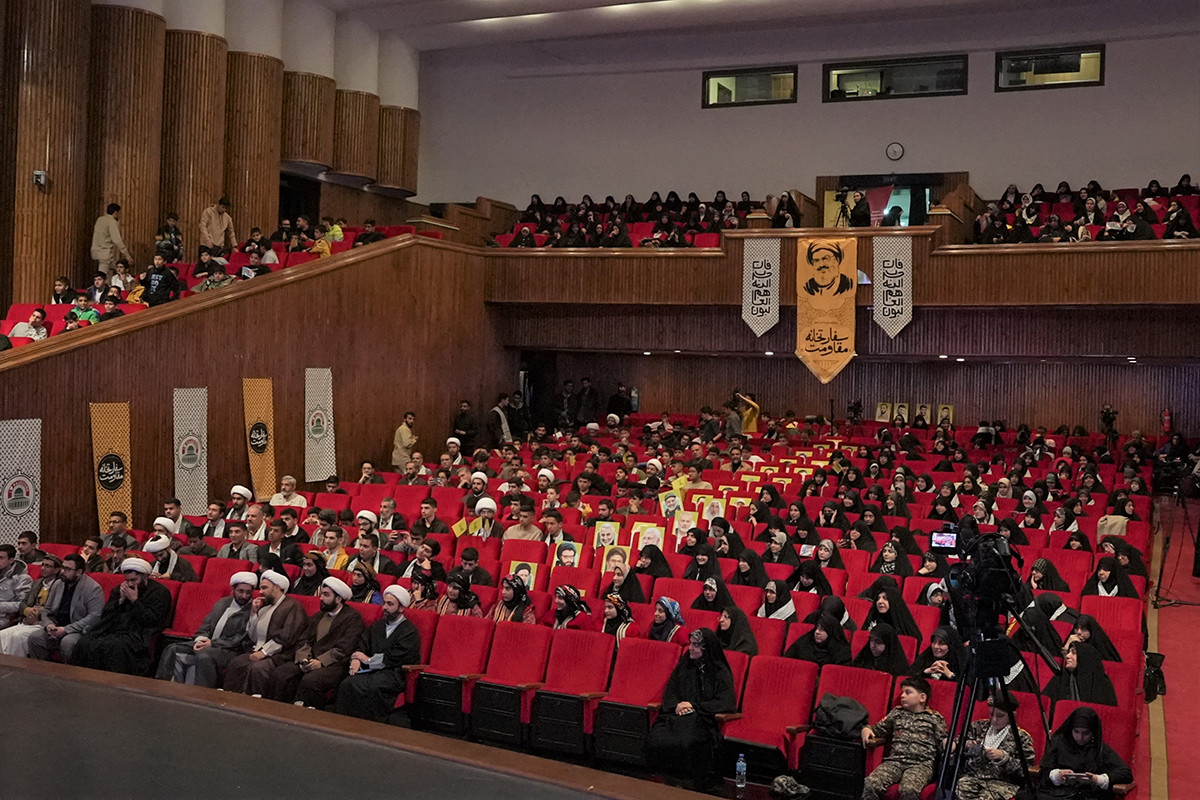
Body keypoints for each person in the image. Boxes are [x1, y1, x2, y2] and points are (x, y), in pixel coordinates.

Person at [646, 628, 737, 792]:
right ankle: (664, 780)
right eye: (691, 644)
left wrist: (694, 706)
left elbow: (726, 702)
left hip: (702, 718)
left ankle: (687, 783)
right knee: (657, 736)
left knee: (686, 740)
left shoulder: (719, 671)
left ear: (706, 649)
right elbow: (671, 691)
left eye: (696, 645)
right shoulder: (685, 663)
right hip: (676, 714)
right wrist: (677, 706)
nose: (691, 648)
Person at [271, 577, 365, 708]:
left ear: (338, 599)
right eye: (321, 594)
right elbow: (304, 639)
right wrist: (304, 659)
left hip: (334, 665)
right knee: (281, 673)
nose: (321, 598)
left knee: (311, 681)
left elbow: (345, 648)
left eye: (326, 595)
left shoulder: (352, 618)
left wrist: (321, 662)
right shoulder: (319, 615)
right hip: (310, 660)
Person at [69, 557, 172, 676]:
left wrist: (134, 600)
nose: (130, 584)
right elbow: (106, 615)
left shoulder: (160, 592)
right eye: (127, 580)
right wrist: (120, 601)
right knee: (86, 642)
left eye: (134, 580)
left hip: (138, 633)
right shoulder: (120, 589)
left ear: (144, 576)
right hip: (113, 629)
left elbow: (153, 620)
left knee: (115, 647)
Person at [336, 585, 421, 721]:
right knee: (347, 683)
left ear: (401, 608)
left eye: (390, 604)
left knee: (372, 688)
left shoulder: (409, 631)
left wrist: (368, 661)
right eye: (384, 603)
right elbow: (362, 643)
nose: (384, 607)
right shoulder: (378, 625)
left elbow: (396, 657)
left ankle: (370, 727)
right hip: (371, 671)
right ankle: (343, 724)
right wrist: (356, 658)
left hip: (394, 673)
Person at [156, 571, 257, 686]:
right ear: (233, 590)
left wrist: (212, 643)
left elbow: (242, 638)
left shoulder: (252, 610)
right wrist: (200, 640)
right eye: (240, 591)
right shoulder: (222, 603)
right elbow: (206, 625)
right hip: (208, 644)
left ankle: (204, 693)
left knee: (204, 655)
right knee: (172, 649)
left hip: (229, 650)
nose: (244, 596)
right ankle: (165, 688)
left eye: (248, 592)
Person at [222, 570, 309, 696]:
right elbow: (253, 637)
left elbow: (287, 637)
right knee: (236, 663)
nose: (260, 592)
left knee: (258, 668)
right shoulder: (265, 607)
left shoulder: (293, 606)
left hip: (281, 654)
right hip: (258, 650)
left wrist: (263, 653)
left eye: (264, 588)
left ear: (277, 587)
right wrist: (253, 613)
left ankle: (256, 702)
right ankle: (230, 698)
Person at [861, 676, 947, 800]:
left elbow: (943, 742)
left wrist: (948, 744)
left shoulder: (934, 718)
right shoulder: (897, 713)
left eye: (908, 692)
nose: (902, 696)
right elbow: (878, 729)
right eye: (902, 692)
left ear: (922, 697)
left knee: (908, 789)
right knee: (871, 783)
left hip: (921, 765)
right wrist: (866, 729)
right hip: (895, 761)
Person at [1036, 706, 1132, 800]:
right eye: (1076, 731)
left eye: (1086, 733)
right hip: (1057, 793)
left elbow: (1125, 773)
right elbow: (1045, 771)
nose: (1080, 737)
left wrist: (1097, 779)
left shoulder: (1100, 749)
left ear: (1093, 732)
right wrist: (1058, 775)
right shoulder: (1058, 743)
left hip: (1089, 795)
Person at [23, 555, 105, 662]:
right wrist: (48, 624)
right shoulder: (58, 583)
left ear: (79, 572)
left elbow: (95, 616)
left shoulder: (93, 588)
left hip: (78, 630)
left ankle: (69, 672)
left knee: (68, 642)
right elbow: (47, 609)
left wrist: (66, 630)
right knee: (35, 638)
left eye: (68, 569)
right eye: (63, 567)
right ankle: (42, 670)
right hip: (56, 626)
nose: (62, 571)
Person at [954, 696, 1037, 800]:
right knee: (960, 790)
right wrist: (967, 744)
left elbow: (1027, 770)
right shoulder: (978, 726)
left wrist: (1004, 758)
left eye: (1000, 716)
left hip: (1002, 784)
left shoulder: (1021, 737)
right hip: (972, 777)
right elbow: (958, 742)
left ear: (1012, 715)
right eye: (991, 714)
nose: (994, 719)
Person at [1043, 642, 1118, 706]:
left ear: (1085, 658)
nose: (1067, 656)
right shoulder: (1058, 680)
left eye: (1074, 653)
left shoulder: (1102, 685)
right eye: (1068, 652)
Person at [91, 203, 132, 276]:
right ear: (115, 212)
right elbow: (117, 240)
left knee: (114, 270)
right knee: (102, 276)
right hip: (105, 254)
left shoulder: (100, 219)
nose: (120, 215)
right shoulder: (112, 222)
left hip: (96, 252)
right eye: (119, 213)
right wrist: (127, 255)